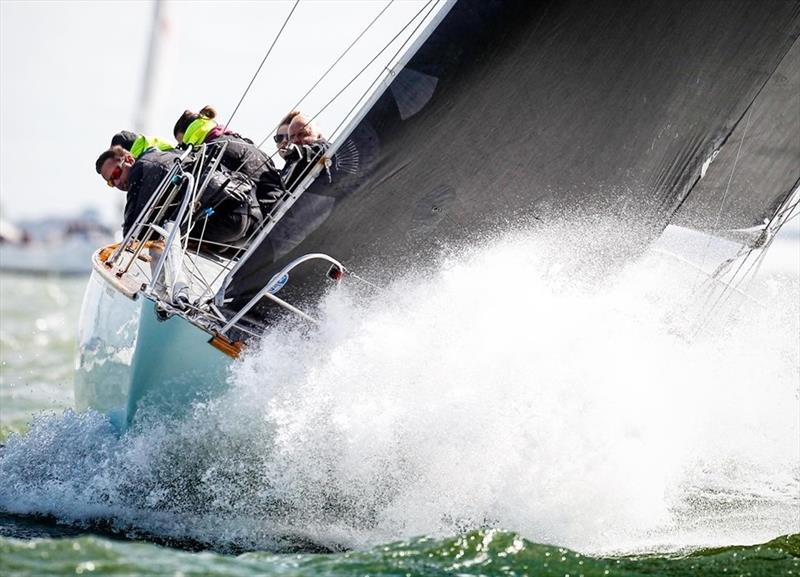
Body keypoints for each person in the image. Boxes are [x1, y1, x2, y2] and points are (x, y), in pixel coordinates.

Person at [95, 144, 260, 249]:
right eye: (110, 182)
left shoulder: (141, 169)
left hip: (226, 218)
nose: (117, 182)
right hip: (249, 215)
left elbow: (133, 230)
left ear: (129, 159)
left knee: (166, 238)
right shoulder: (172, 154)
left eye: (116, 173)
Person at [172, 106, 284, 209]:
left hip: (264, 209)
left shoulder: (212, 151)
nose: (184, 150)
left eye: (183, 145)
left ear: (190, 136)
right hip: (279, 197)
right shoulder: (233, 138)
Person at [280, 112, 330, 190]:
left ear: (319, 136)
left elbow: (319, 149)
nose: (295, 140)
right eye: (292, 137)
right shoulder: (290, 165)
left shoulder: (329, 150)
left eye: (302, 134)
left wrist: (303, 152)